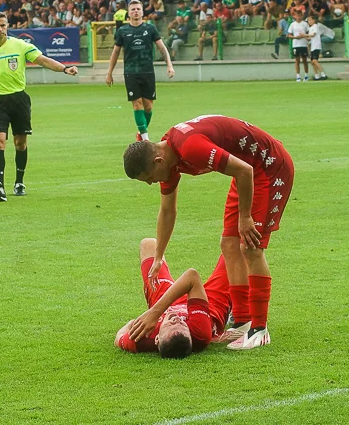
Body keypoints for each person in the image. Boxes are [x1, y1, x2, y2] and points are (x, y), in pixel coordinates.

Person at [122, 115, 295, 350]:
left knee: (250, 246)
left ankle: (259, 329)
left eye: (150, 178)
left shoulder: (190, 148)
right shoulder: (169, 158)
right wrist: (160, 254)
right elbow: (167, 210)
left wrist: (245, 217)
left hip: (267, 167)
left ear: (158, 161)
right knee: (229, 244)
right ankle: (243, 322)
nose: (152, 184)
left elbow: (244, 170)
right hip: (247, 172)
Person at [0, 11, 78, 202]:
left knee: (20, 143)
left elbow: (43, 60)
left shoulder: (20, 46)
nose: (0, 29)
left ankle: (19, 181)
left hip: (19, 100)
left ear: (8, 26)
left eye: (3, 25)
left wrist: (64, 68)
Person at [115, 238, 231, 358]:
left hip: (167, 303)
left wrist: (133, 323)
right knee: (234, 248)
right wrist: (154, 314)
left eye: (170, 324)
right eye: (183, 324)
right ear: (191, 335)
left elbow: (119, 338)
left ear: (157, 339)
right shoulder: (200, 333)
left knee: (148, 244)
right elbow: (192, 276)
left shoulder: (145, 338)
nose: (177, 319)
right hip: (209, 305)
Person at [105, 0, 175, 142]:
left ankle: (140, 132)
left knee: (148, 106)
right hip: (131, 72)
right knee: (137, 103)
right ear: (128, 14)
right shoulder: (122, 31)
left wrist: (169, 65)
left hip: (147, 71)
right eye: (133, 9)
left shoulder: (150, 29)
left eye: (138, 9)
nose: (136, 11)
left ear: (142, 12)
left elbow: (162, 48)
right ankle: (145, 138)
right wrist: (109, 73)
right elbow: (115, 52)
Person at [287, 12, 310, 82]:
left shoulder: (305, 24)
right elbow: (289, 35)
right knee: (297, 60)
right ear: (295, 16)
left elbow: (309, 34)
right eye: (297, 15)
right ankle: (298, 76)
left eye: (300, 16)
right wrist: (295, 37)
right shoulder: (292, 24)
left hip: (303, 44)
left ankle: (306, 75)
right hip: (296, 44)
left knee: (304, 60)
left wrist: (303, 36)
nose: (298, 17)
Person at [305, 15, 329, 80]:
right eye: (308, 20)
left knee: (314, 61)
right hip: (312, 46)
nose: (309, 22)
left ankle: (323, 74)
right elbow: (310, 38)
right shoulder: (310, 28)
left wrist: (305, 35)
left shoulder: (315, 26)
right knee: (312, 62)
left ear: (314, 20)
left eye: (310, 20)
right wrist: (304, 37)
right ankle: (316, 76)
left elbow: (313, 34)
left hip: (316, 46)